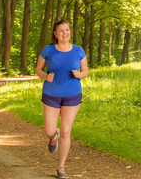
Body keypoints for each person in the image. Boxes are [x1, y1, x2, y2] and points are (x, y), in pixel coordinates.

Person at [36, 19, 88, 179]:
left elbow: (85, 71)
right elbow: (38, 69)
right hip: (51, 94)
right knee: (49, 130)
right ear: (55, 34)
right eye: (61, 30)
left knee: (66, 131)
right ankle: (53, 136)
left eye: (67, 30)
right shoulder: (48, 49)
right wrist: (45, 76)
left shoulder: (79, 50)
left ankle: (61, 168)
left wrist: (79, 74)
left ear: (70, 32)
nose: (65, 33)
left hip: (72, 94)